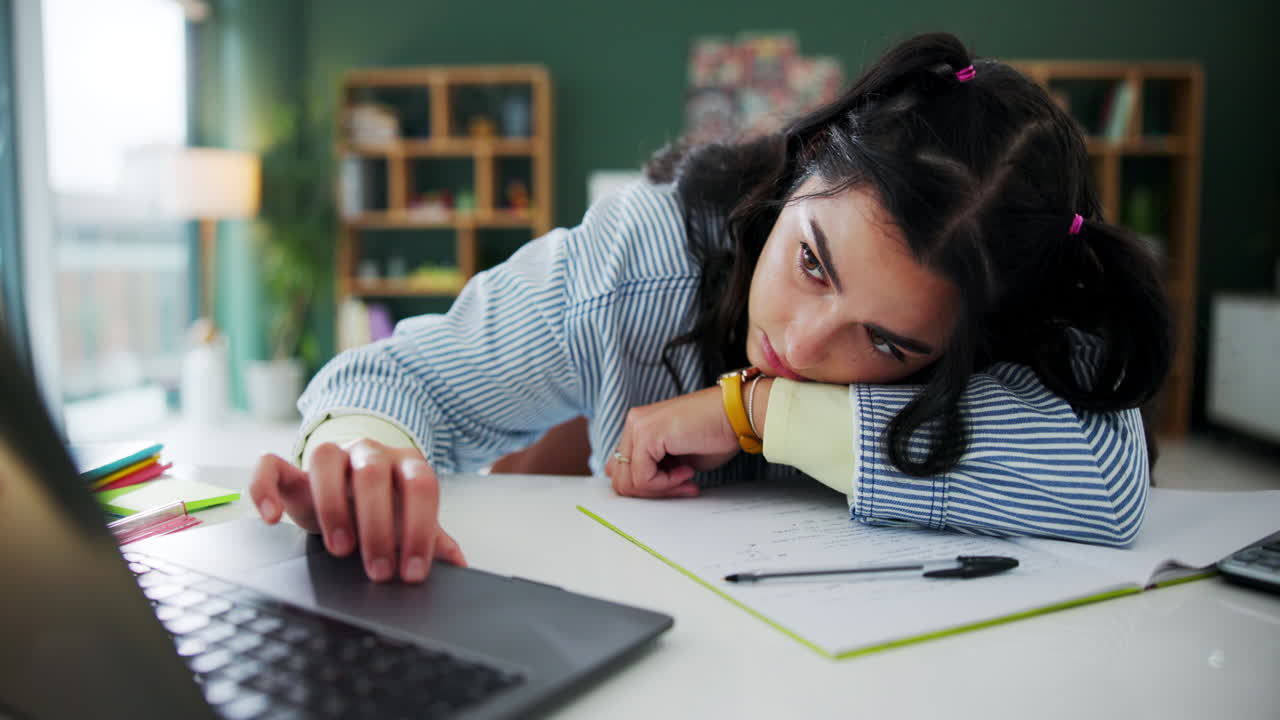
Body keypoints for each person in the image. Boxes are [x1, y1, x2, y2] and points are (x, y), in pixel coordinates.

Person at [250, 32, 1171, 584]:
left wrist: (756, 411)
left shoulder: (1011, 309)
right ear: (805, 161)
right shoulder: (635, 261)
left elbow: (1110, 480)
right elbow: (398, 380)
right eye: (812, 263)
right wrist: (362, 443)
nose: (804, 344)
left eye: (888, 342)